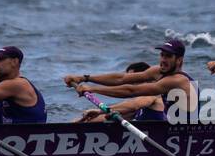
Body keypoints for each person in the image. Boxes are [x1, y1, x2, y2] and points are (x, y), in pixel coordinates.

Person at [65, 38, 198, 120]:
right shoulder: (157, 71)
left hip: (187, 132)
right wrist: (85, 78)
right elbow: (122, 78)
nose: (163, 60)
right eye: (162, 55)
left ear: (179, 60)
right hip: (169, 126)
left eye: (168, 56)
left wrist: (93, 89)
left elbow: (132, 91)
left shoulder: (178, 80)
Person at [75, 62, 165, 122]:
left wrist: (99, 111)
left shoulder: (153, 94)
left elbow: (134, 105)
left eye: (132, 79)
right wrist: (82, 121)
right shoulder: (140, 107)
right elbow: (108, 117)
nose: (129, 83)